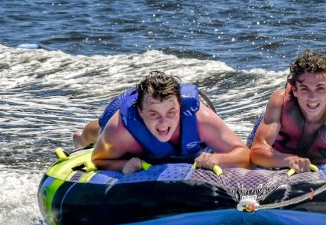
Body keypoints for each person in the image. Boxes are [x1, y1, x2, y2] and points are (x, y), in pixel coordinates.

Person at [89, 71, 250, 174]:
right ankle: (81, 136)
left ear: (180, 107)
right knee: (95, 132)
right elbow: (98, 159)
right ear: (140, 111)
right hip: (121, 107)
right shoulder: (121, 130)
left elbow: (244, 153)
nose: (163, 122)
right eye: (154, 114)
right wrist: (122, 165)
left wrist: (218, 160)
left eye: (171, 112)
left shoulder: (201, 119)